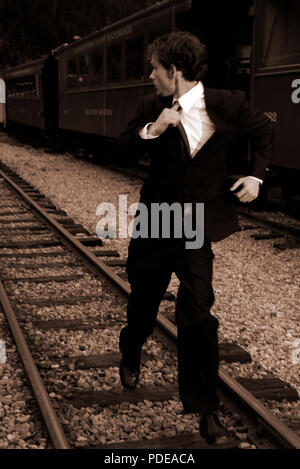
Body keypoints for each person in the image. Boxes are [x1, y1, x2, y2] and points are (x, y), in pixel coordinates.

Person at [115, 31, 273, 445]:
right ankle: (131, 349)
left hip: (194, 227)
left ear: (176, 71)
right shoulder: (152, 106)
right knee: (143, 309)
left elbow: (264, 134)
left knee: (198, 316)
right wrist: (153, 128)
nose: (150, 75)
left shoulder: (228, 103)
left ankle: (206, 411)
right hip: (155, 224)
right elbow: (120, 151)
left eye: (155, 68)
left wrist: (257, 175)